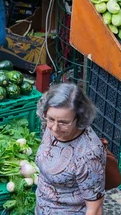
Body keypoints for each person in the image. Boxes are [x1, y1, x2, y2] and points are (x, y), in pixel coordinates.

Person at [35, 83, 107, 215]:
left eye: (64, 122)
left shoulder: (88, 157)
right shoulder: (50, 126)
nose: (55, 128)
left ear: (79, 118)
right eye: (51, 119)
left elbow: (95, 208)